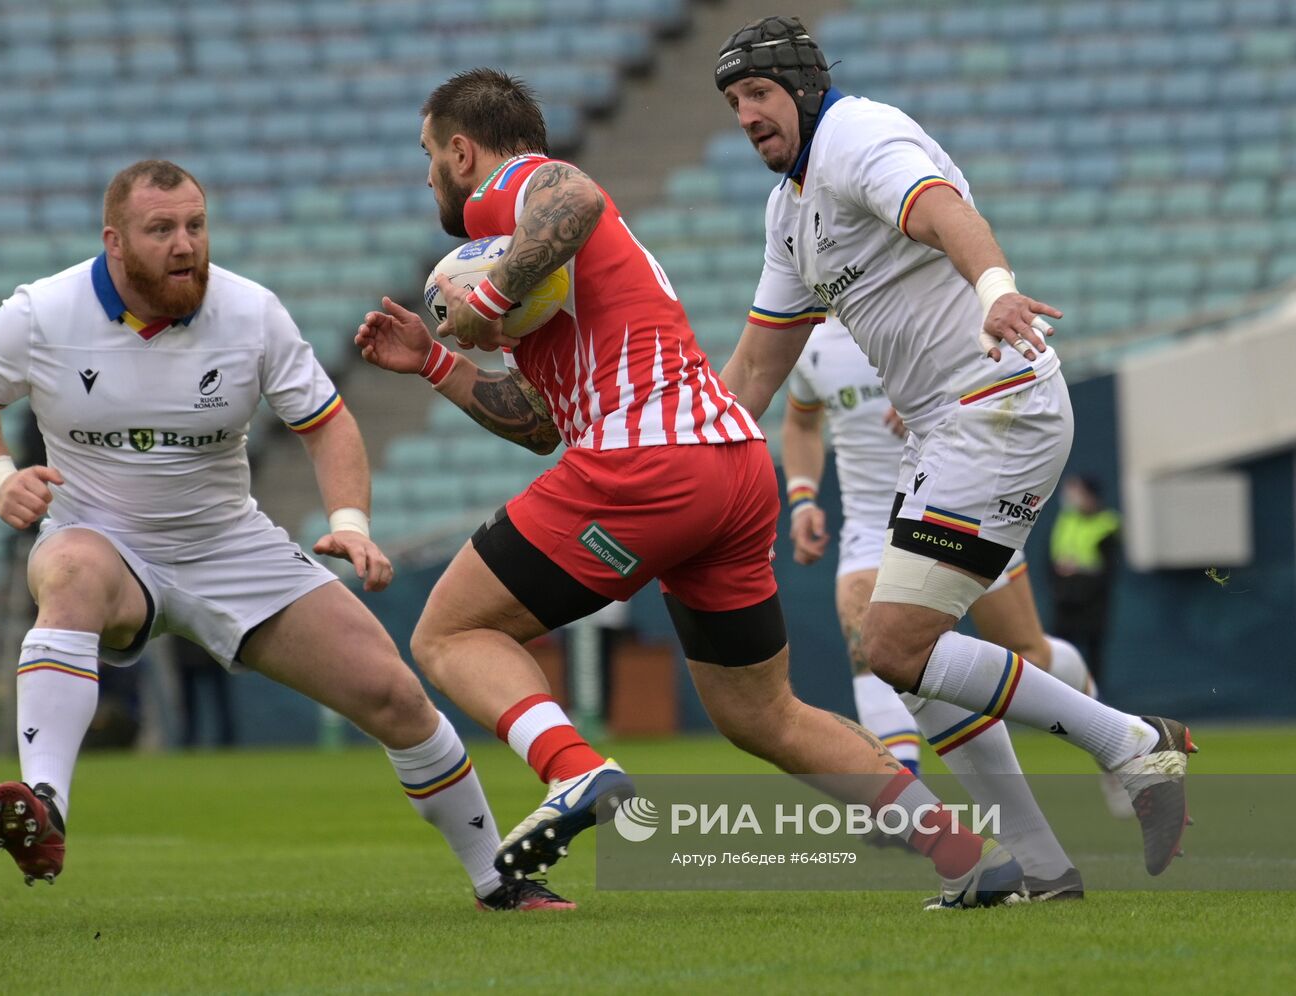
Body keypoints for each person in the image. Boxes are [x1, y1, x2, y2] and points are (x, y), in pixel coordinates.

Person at [358, 68, 1025, 908]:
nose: (428, 178)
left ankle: (576, 770)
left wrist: (488, 296)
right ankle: (968, 856)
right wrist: (434, 360)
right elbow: (538, 424)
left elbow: (575, 196)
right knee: (761, 714)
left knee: (448, 634)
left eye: (429, 156)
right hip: (732, 465)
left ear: (462, 149)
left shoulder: (513, 187)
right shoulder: (542, 260)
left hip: (648, 463)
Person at [0, 159, 565, 912]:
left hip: (230, 548)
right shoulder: (42, 312)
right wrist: (2, 480)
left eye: (195, 225)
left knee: (395, 696)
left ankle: (497, 882)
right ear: (114, 241)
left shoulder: (251, 311)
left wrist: (350, 524)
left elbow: (326, 425)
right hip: (103, 541)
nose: (185, 244)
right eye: (161, 229)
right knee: (67, 568)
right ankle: (45, 805)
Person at [714, 15, 1193, 877]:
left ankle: (1127, 741)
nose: (745, 113)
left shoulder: (858, 132)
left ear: (803, 88)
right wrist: (683, 448)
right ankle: (1041, 868)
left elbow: (941, 211)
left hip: (998, 406)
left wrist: (995, 288)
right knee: (901, 660)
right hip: (947, 427)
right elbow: (756, 367)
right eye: (732, 101)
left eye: (757, 92)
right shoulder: (790, 211)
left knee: (896, 645)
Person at [783, 319, 1133, 892]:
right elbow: (800, 421)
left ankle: (1102, 721)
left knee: (1027, 655)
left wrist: (943, 397)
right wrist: (800, 500)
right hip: (873, 527)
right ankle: (901, 786)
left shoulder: (929, 308)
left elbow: (1024, 372)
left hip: (961, 503)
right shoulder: (810, 342)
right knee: (876, 644)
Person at [1050, 475, 1122, 679]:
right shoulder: (1066, 520)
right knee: (1060, 654)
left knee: (1093, 657)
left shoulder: (1107, 524)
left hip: (1092, 604)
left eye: (1078, 492)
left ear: (1091, 495)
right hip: (1065, 602)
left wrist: (1079, 576)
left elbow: (1108, 570)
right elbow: (1052, 560)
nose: (1071, 497)